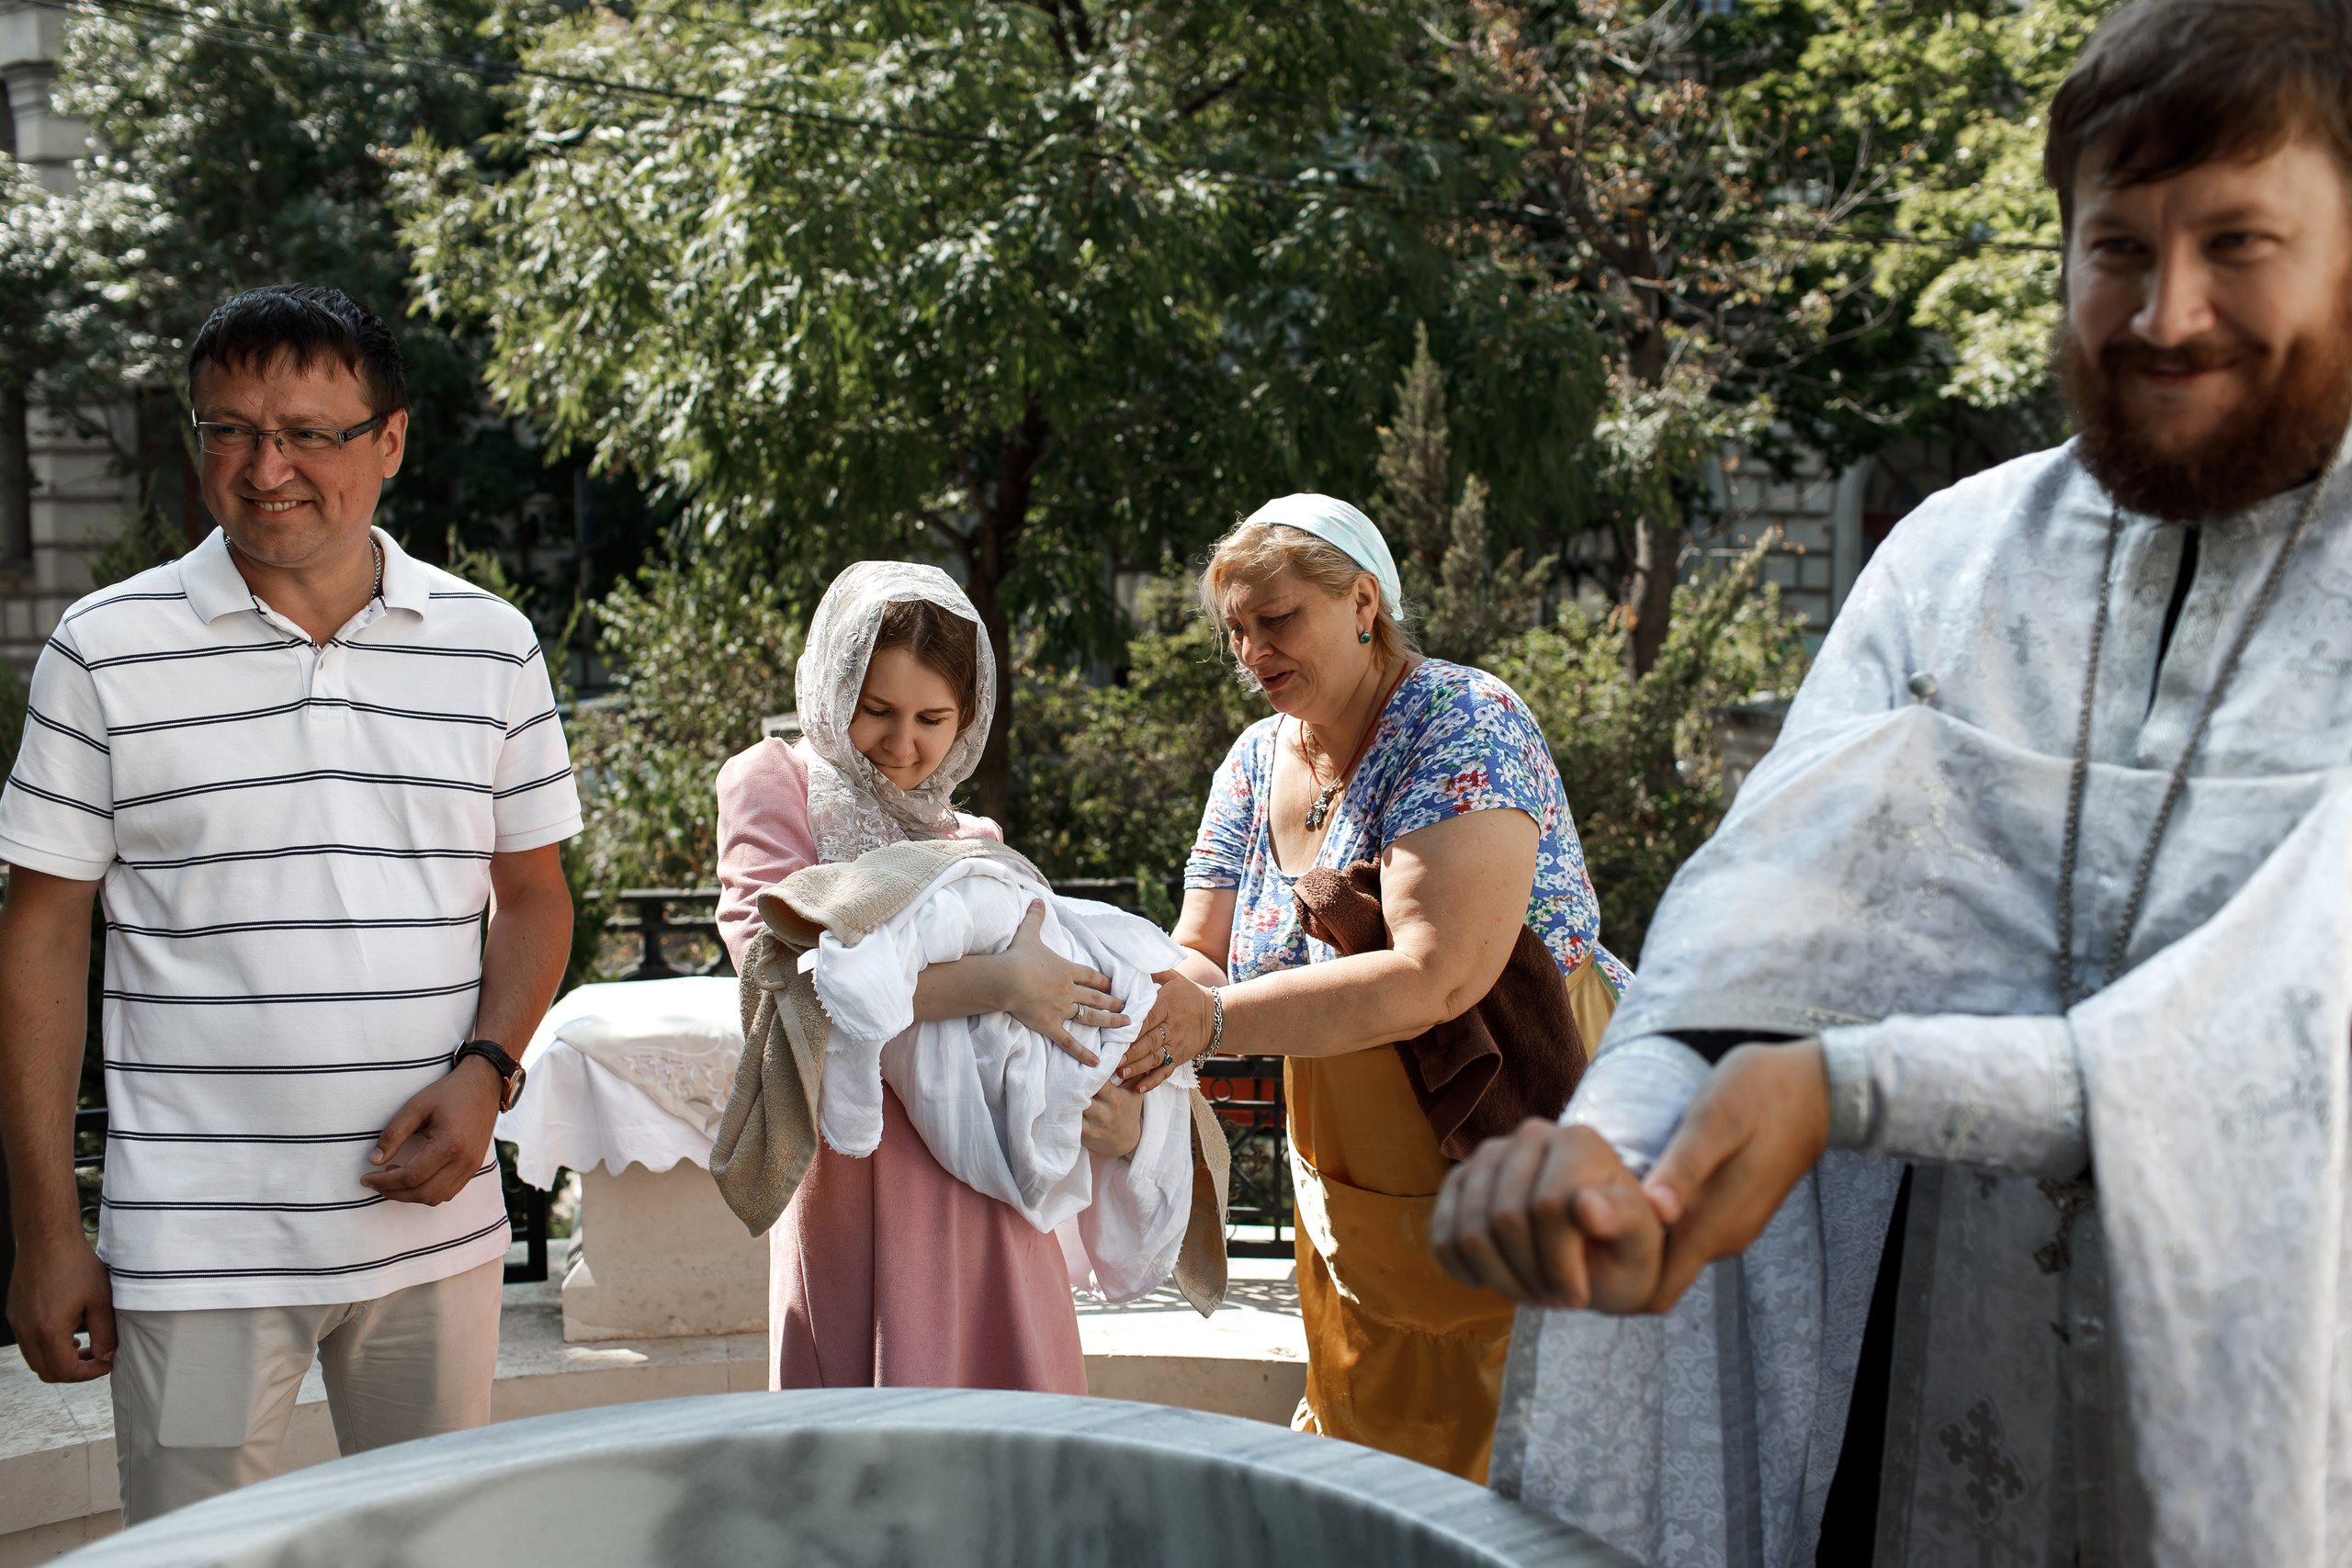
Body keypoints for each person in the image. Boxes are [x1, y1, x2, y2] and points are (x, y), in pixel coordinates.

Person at [1431, 2, 2352, 1562]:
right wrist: (1625, 1148)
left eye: (2241, 242)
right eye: (2118, 247)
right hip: (1941, 1413)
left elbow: (2290, 1026)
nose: (2168, 312)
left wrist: (1848, 1087)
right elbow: (1758, 946)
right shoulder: (1955, 562)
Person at [0, 285, 579, 1523]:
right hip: (196, 1255)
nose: (267, 469)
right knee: (195, 1559)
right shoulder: (102, 650)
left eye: (309, 432)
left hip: (434, 1240)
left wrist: (488, 1068)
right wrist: (51, 1229)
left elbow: (533, 895)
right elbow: (42, 933)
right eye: (229, 429)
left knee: (431, 1552)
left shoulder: (489, 644)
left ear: (391, 442)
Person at [1121, 494, 1625, 1483]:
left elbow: (1439, 975)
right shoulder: (1255, 758)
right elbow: (1200, 945)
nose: (1251, 651)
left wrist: (1211, 1021)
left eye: (1276, 620)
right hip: (1353, 1137)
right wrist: (1137, 1007)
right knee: (1371, 1440)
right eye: (1236, 630)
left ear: (1361, 602)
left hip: (1513, 1101)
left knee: (1535, 1436)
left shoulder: (1464, 720)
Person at [714, 560, 1177, 1392]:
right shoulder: (773, 785)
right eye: (875, 711)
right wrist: (1000, 984)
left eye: (934, 718)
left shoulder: (976, 840)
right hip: (855, 1172)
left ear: (969, 719)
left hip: (990, 1181)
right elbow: (775, 976)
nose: (903, 745)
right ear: (831, 686)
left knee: (1008, 1436)